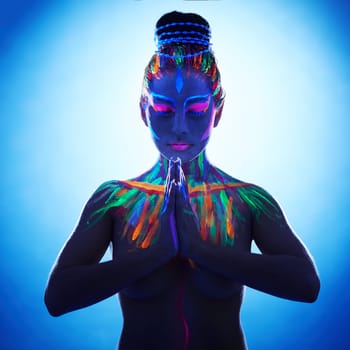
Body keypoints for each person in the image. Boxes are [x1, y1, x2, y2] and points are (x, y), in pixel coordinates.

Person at [44, 11, 320, 350]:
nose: (178, 127)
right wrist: (157, 253)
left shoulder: (248, 201)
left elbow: (306, 285)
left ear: (217, 110)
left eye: (195, 110)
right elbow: (57, 298)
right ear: (143, 110)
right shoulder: (115, 200)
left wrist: (199, 249)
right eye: (162, 110)